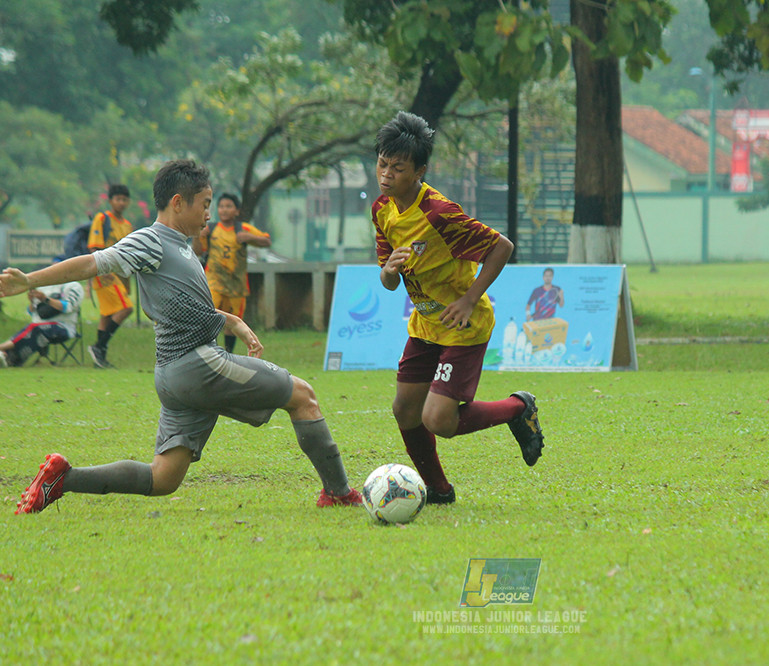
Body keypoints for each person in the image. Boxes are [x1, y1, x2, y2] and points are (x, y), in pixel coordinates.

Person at [2, 159, 362, 514]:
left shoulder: (182, 245)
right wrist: (30, 281)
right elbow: (93, 262)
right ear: (177, 202)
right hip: (197, 364)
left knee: (163, 479)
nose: (209, 214)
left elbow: (187, 308)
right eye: (204, 204)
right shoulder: (152, 240)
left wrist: (232, 322)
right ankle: (338, 493)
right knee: (303, 396)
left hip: (174, 373)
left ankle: (63, 479)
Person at [372, 111, 545, 506]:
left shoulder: (439, 214)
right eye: (382, 164)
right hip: (425, 325)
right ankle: (439, 489)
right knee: (405, 410)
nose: (386, 174)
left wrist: (469, 299)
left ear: (419, 171)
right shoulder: (382, 209)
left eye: (397, 168)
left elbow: (501, 247)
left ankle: (517, 407)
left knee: (439, 420)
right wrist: (388, 270)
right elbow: (388, 280)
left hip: (463, 326)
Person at [194, 193, 271, 353]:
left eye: (229, 206)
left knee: (233, 321)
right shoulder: (211, 229)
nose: (224, 210)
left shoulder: (242, 229)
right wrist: (197, 236)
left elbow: (266, 241)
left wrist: (248, 237)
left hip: (236, 284)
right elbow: (198, 251)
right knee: (209, 315)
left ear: (237, 211)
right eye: (221, 206)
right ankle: (210, 351)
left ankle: (228, 353)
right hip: (214, 281)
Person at [87, 184, 135, 369]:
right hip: (104, 272)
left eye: (124, 199)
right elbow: (94, 246)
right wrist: (102, 270)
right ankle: (98, 346)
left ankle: (100, 358)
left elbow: (128, 255)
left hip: (119, 274)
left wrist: (127, 282)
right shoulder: (102, 219)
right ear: (111, 200)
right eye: (118, 199)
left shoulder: (127, 225)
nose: (121, 203)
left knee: (106, 315)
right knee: (126, 309)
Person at [0, 279, 84, 368]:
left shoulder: (73, 286)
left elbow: (69, 306)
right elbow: (32, 313)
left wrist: (45, 299)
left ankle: (4, 352)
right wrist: (32, 301)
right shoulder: (43, 286)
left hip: (63, 327)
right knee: (32, 329)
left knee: (34, 328)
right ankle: (7, 357)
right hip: (38, 326)